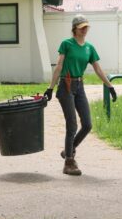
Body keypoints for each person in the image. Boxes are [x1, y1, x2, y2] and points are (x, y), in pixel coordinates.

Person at [44, 15, 117, 176]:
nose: (85, 30)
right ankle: (69, 162)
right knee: (72, 124)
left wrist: (109, 86)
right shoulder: (67, 44)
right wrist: (50, 88)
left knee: (87, 124)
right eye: (81, 27)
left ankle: (69, 150)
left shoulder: (89, 47)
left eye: (86, 27)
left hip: (79, 85)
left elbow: (97, 68)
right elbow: (59, 66)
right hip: (66, 85)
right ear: (75, 28)